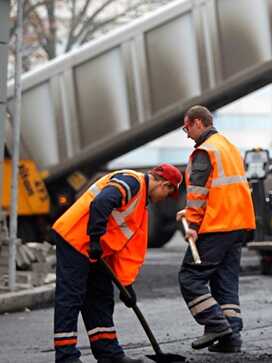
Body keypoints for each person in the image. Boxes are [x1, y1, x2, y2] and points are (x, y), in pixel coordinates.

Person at [52, 164, 183, 363]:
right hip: (76, 241)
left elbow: (125, 249)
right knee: (71, 297)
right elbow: (102, 202)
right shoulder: (131, 181)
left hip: (96, 250)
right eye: (168, 193)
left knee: (100, 298)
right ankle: (66, 357)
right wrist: (95, 239)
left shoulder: (141, 206)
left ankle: (108, 354)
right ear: (164, 185)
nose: (164, 199)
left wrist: (125, 285)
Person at [177, 105, 256, 353]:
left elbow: (199, 194)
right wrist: (189, 213)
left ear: (198, 123)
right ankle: (230, 339)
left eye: (186, 127)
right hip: (237, 223)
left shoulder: (205, 151)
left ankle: (216, 324)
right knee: (224, 282)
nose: (186, 133)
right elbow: (223, 189)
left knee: (190, 277)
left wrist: (192, 225)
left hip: (217, 224)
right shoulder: (228, 146)